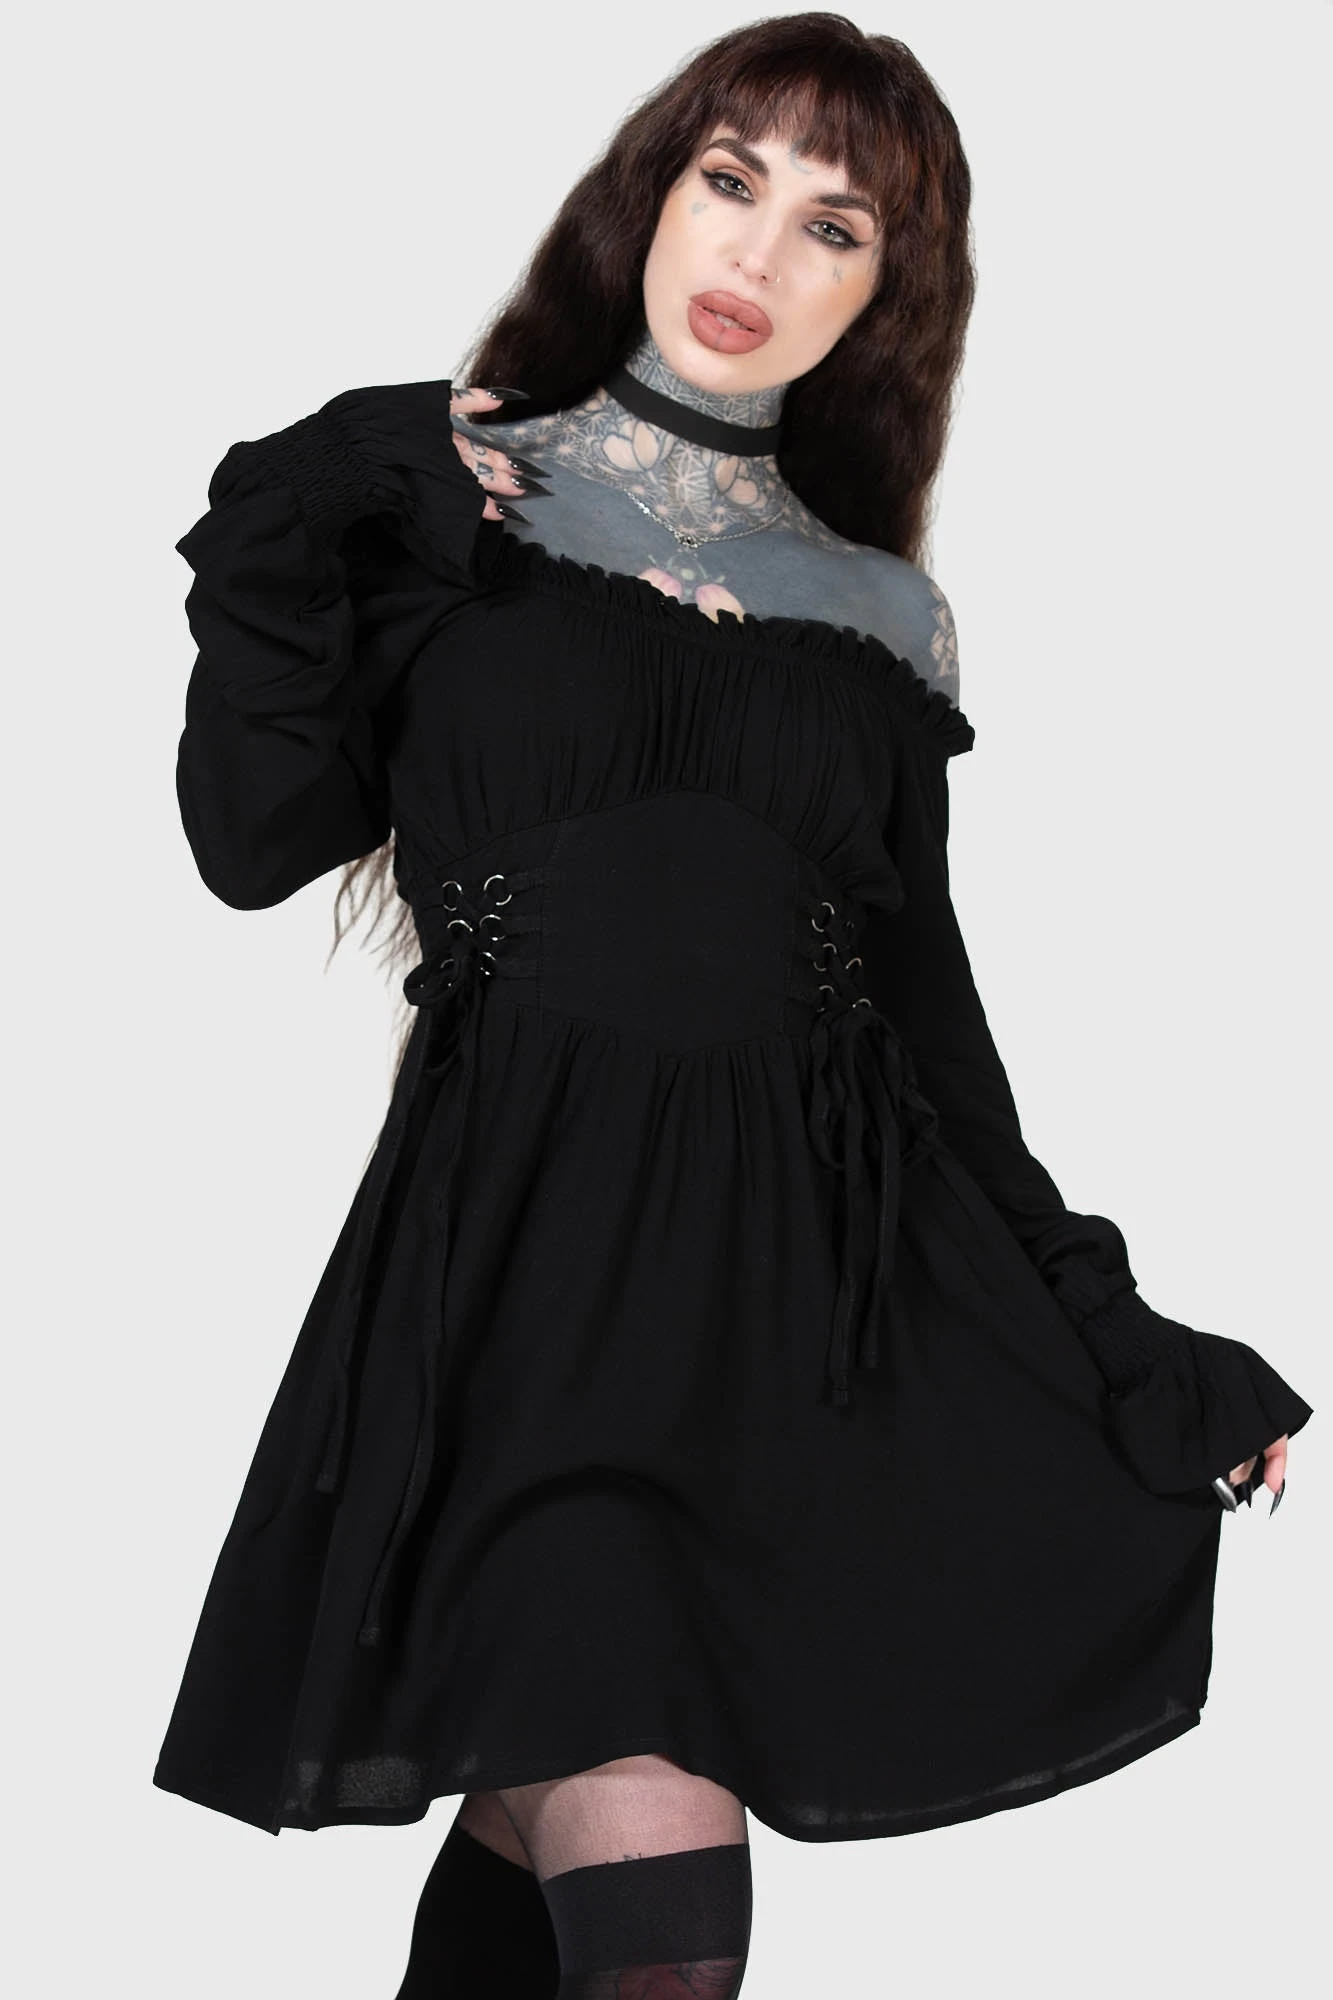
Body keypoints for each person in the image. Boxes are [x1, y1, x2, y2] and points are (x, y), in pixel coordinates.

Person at [153, 15, 1313, 1998]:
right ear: (653, 193)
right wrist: (339, 467)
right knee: (655, 1888)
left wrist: (1118, 1343)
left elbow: (929, 1040)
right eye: (731, 181)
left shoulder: (881, 619)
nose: (760, 254)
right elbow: (253, 839)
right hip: (514, 1299)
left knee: (558, 1842)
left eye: (834, 227)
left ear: (886, 297)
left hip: (787, 1328)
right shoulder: (447, 503)